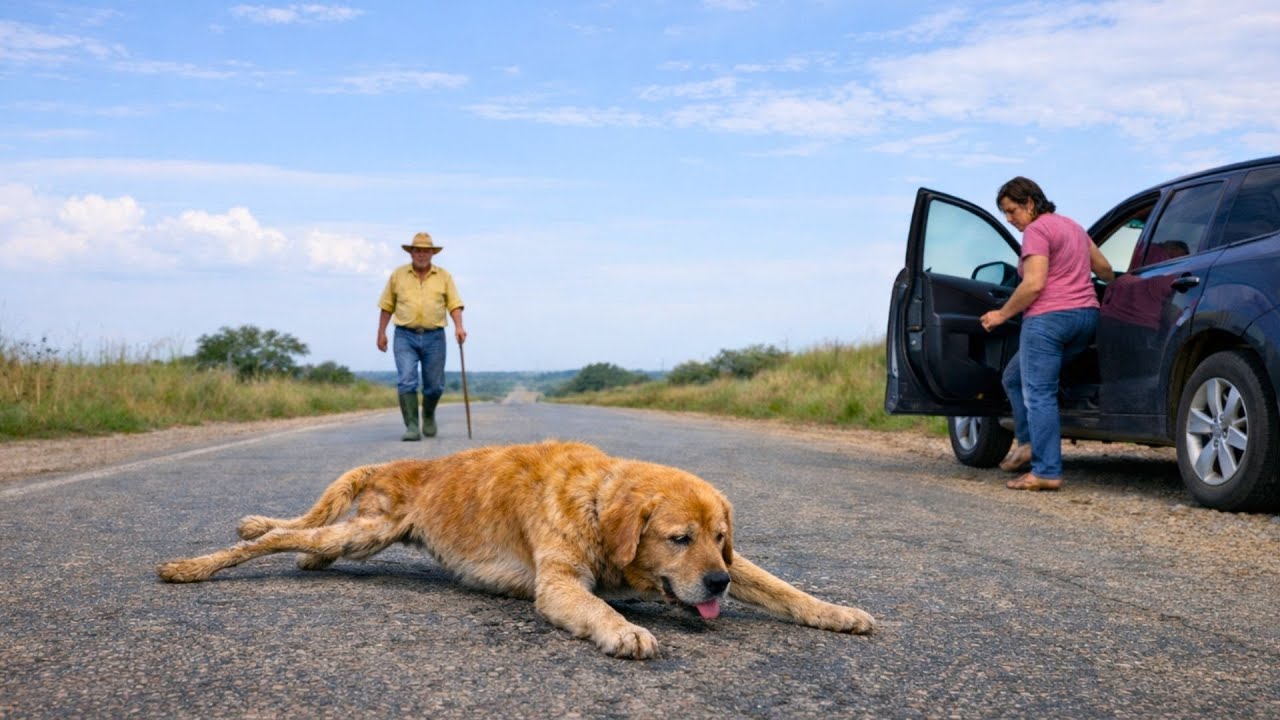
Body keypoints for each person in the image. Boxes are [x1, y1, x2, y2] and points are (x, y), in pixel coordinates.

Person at [980, 177, 1114, 491]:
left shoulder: (1037, 230)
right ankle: (1027, 442)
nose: (1010, 219)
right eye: (1005, 214)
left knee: (1039, 393)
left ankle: (1046, 471)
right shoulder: (1073, 227)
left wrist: (1001, 314)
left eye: (1012, 211)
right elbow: (1106, 270)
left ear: (1029, 203)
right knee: (1014, 377)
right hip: (1086, 318)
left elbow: (1034, 283)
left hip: (1048, 319)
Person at [377, 232, 466, 441]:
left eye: (426, 250)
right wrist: (381, 333)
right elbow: (386, 306)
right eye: (417, 250)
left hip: (434, 336)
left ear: (432, 254)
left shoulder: (444, 276)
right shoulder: (398, 275)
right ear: (411, 253)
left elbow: (454, 304)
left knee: (434, 385)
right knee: (406, 379)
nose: (421, 254)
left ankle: (428, 414)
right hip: (404, 335)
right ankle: (412, 426)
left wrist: (459, 327)